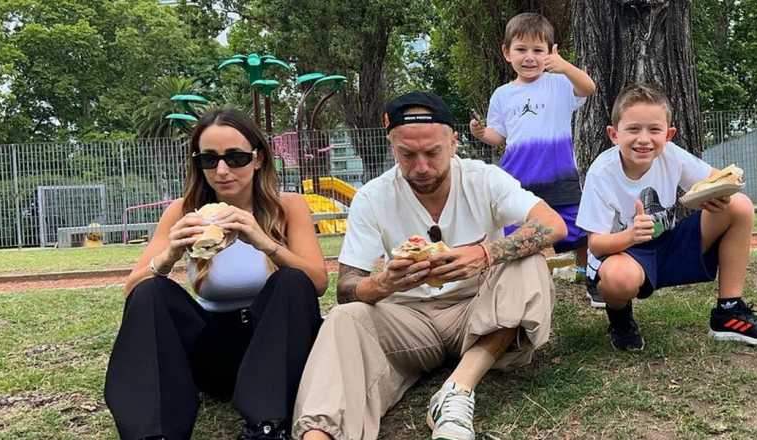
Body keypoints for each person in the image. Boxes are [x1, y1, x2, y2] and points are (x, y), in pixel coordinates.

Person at [293, 92, 565, 440]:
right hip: (408, 319)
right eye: (407, 155)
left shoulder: (484, 178)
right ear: (392, 147)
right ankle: (320, 433)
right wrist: (382, 285)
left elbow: (552, 225)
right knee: (343, 319)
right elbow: (346, 287)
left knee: (527, 260)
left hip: (478, 312)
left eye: (432, 152)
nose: (421, 167)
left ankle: (456, 391)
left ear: (453, 143)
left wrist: (484, 254)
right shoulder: (373, 196)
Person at [104, 108, 329, 440]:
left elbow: (318, 283)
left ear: (258, 159)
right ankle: (154, 433)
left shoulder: (289, 206)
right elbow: (133, 292)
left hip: (275, 349)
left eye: (235, 158)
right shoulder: (183, 211)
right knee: (151, 291)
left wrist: (264, 242)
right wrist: (169, 255)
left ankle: (267, 427)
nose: (222, 170)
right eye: (209, 159)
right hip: (212, 351)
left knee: (292, 280)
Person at [576, 83, 757, 351]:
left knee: (739, 205)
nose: (644, 139)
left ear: (668, 135)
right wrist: (630, 235)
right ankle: (619, 317)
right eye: (633, 129)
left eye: (654, 129)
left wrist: (718, 191)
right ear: (614, 134)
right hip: (624, 251)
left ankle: (729, 310)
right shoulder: (601, 173)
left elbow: (718, 177)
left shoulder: (671, 154)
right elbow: (596, 244)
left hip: (668, 243)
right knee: (620, 279)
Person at [468, 12, 599, 306]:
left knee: (581, 229)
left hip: (560, 174)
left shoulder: (560, 84)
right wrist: (480, 133)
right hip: (518, 178)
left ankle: (589, 273)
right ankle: (522, 286)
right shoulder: (502, 95)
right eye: (521, 49)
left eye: (538, 50)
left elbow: (589, 88)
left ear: (551, 52)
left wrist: (565, 67)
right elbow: (498, 136)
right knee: (521, 236)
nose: (530, 57)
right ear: (506, 53)